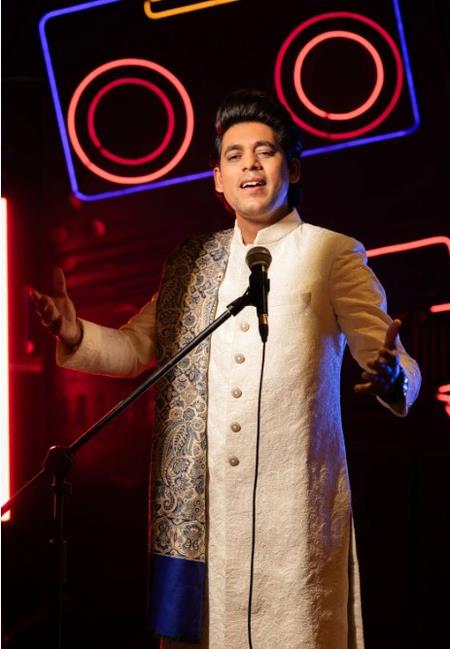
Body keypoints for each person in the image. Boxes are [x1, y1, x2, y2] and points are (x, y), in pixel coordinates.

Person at [32, 89, 421, 649]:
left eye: (265, 152)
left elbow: (389, 354)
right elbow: (138, 348)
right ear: (218, 179)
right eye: (234, 156)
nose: (250, 165)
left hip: (294, 516)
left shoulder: (332, 253)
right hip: (206, 522)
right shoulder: (193, 263)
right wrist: (74, 333)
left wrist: (394, 378)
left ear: (293, 168)